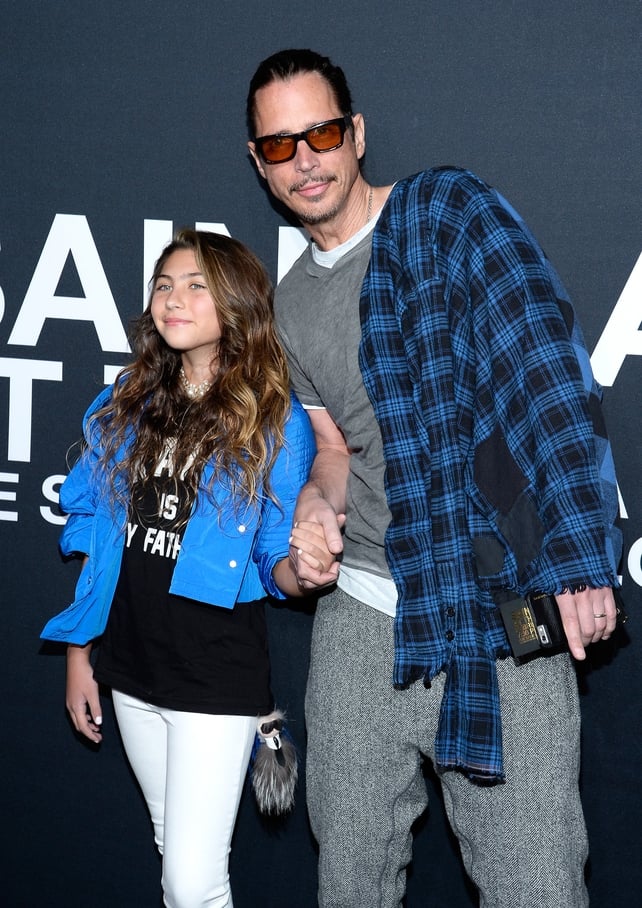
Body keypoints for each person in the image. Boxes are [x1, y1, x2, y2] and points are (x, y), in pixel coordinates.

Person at [246, 49, 622, 908]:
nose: (305, 159)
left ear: (358, 134)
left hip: (491, 605)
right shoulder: (292, 301)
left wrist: (578, 556)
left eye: (323, 133)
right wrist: (313, 508)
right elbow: (335, 449)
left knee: (537, 882)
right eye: (279, 146)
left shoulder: (449, 213)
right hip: (361, 616)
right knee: (349, 880)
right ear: (259, 165)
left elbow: (547, 373)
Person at [41, 229, 332, 908]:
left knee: (193, 884)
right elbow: (97, 537)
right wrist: (80, 650)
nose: (174, 298)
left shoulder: (273, 418)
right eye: (165, 285)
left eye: (196, 284)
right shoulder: (129, 399)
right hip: (130, 663)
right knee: (173, 851)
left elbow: (273, 560)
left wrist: (305, 570)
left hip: (213, 670)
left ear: (235, 304)